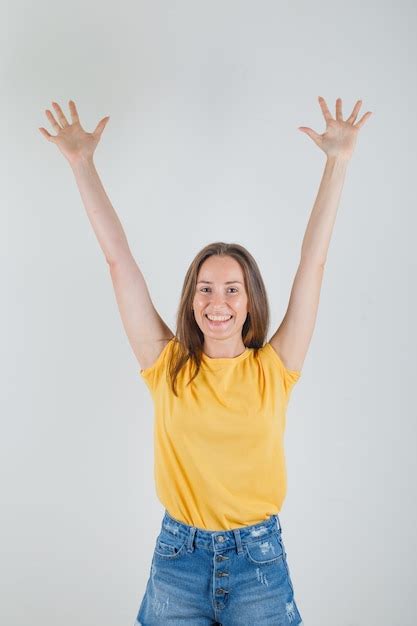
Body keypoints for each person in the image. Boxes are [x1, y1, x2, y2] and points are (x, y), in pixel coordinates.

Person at [39, 96, 372, 625]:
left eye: (232, 289)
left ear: (250, 300)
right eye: (206, 288)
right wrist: (83, 164)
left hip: (259, 565)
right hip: (178, 563)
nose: (218, 302)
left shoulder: (275, 368)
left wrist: (338, 162)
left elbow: (314, 261)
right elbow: (118, 258)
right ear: (192, 300)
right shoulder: (166, 365)